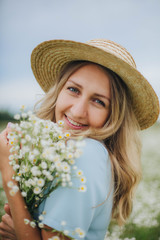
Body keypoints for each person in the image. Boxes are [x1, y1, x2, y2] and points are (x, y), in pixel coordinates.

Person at [0, 39, 159, 240]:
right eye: (74, 90)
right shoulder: (62, 154)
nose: (78, 111)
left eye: (98, 101)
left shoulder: (85, 153)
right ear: (59, 91)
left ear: (114, 116)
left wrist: (8, 173)